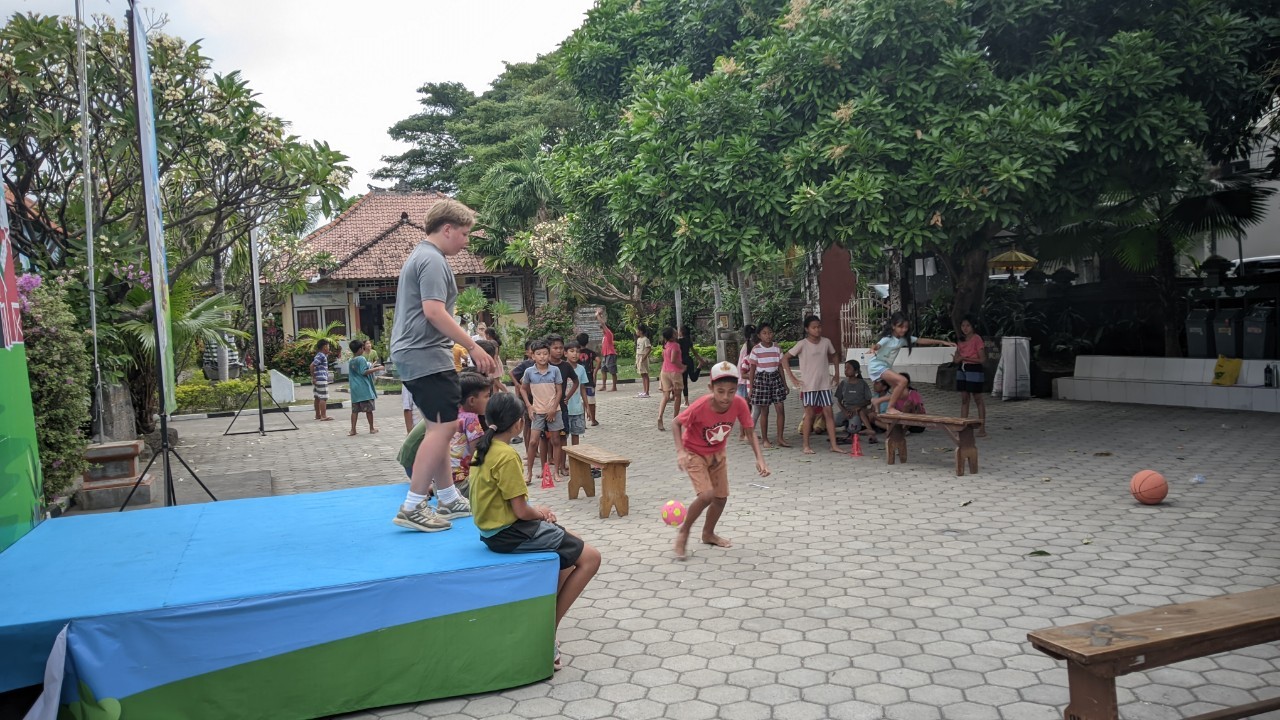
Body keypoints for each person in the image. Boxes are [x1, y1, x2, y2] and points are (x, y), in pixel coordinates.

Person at [469, 391, 601, 671]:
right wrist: (540, 512)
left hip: (493, 531)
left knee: (571, 545)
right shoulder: (506, 456)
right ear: (518, 423)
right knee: (591, 558)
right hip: (509, 532)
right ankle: (546, 630)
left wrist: (537, 511)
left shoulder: (484, 448)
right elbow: (521, 511)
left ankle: (542, 616)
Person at [390, 198, 497, 533]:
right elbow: (434, 312)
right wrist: (472, 345)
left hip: (419, 353)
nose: (466, 241)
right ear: (447, 229)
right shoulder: (432, 261)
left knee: (442, 426)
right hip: (423, 353)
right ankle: (413, 505)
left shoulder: (424, 256)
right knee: (443, 429)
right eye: (464, 233)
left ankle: (448, 497)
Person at [671, 361, 770, 560]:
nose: (726, 397)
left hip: (718, 454)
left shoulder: (740, 403)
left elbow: (750, 431)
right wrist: (680, 452)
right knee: (707, 495)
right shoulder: (701, 406)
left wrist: (760, 458)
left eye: (731, 391)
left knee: (721, 498)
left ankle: (708, 534)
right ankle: (684, 531)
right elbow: (676, 423)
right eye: (721, 391)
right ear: (711, 388)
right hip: (694, 452)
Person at [398, 372, 492, 500]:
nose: (489, 400)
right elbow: (477, 455)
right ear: (471, 401)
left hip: (440, 486)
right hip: (461, 485)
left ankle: (431, 489)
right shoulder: (471, 419)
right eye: (487, 396)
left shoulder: (446, 415)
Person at [868, 311, 954, 416]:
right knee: (903, 380)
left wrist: (942, 342)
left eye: (906, 327)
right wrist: (873, 349)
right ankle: (889, 408)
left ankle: (877, 401)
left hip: (885, 367)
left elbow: (920, 340)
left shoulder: (903, 340)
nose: (904, 329)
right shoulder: (887, 338)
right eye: (901, 327)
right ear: (893, 326)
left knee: (903, 394)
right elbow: (877, 345)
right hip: (877, 366)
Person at [783, 315, 842, 454]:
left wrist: (837, 373)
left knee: (829, 413)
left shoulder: (826, 342)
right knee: (809, 414)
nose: (817, 330)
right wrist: (792, 377)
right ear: (807, 329)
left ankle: (834, 445)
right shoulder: (802, 344)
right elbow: (785, 358)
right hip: (809, 385)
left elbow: (834, 355)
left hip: (824, 384)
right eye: (814, 327)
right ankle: (806, 446)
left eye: (819, 326)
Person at [520, 339, 563, 484]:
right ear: (533, 356)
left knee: (556, 440)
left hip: (554, 411)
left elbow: (559, 391)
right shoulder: (529, 372)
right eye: (539, 354)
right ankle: (529, 473)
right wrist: (528, 405)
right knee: (533, 442)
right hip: (537, 411)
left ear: (549, 355)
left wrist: (553, 408)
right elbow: (523, 389)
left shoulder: (555, 370)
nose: (542, 357)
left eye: (545, 353)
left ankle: (555, 472)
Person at [747, 323, 789, 448]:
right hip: (761, 380)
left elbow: (780, 367)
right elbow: (752, 370)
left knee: (780, 409)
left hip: (775, 378)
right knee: (764, 411)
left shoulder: (777, 348)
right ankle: (765, 439)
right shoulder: (756, 349)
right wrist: (751, 388)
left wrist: (785, 384)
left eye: (770, 332)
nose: (768, 335)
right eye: (764, 333)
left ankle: (780, 438)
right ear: (759, 335)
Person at [548, 334, 578, 476]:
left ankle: (562, 466)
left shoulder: (565, 366)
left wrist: (568, 396)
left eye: (561, 348)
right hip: (545, 407)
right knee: (548, 439)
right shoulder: (544, 365)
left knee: (562, 437)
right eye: (555, 348)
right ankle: (548, 466)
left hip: (561, 407)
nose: (559, 351)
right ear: (549, 349)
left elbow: (576, 381)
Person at [953, 315, 988, 437]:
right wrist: (957, 359)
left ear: (973, 326)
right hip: (962, 369)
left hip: (974, 368)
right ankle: (963, 426)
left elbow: (982, 359)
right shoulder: (960, 340)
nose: (965, 328)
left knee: (977, 397)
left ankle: (982, 427)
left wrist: (965, 358)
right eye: (963, 325)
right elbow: (956, 357)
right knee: (964, 398)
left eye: (968, 325)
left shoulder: (977, 339)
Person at [347, 338, 384, 436]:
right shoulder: (361, 359)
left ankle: (353, 429)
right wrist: (377, 368)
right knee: (369, 410)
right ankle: (371, 428)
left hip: (355, 389)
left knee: (355, 410)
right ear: (360, 349)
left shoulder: (351, 360)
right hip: (363, 388)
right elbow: (364, 372)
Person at [834, 360, 876, 443]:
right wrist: (844, 411)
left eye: (849, 368)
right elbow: (838, 400)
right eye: (845, 368)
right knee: (833, 422)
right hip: (845, 410)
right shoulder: (843, 383)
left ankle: (858, 430)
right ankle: (847, 425)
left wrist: (858, 406)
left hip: (857, 411)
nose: (846, 370)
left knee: (854, 429)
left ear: (856, 371)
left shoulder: (862, 383)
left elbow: (868, 401)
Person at [656, 327, 685, 432]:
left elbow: (665, 359)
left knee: (666, 396)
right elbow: (673, 360)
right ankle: (675, 420)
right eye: (674, 331)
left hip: (664, 372)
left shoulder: (665, 345)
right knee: (677, 396)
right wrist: (682, 366)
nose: (677, 332)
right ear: (672, 335)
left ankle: (660, 416)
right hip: (675, 372)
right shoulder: (676, 345)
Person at [564, 341, 589, 451]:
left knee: (576, 434)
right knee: (562, 436)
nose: (575, 354)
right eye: (572, 351)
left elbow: (583, 388)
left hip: (577, 408)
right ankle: (561, 461)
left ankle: (575, 459)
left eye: (578, 352)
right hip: (563, 408)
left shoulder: (581, 369)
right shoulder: (561, 368)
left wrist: (586, 406)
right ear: (565, 353)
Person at [678, 325, 709, 404]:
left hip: (682, 362)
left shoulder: (678, 341)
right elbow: (694, 353)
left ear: (681, 332)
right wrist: (701, 360)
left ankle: (686, 401)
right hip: (689, 360)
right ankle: (699, 366)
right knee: (693, 378)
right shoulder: (688, 340)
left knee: (684, 381)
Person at [575, 332, 600, 426]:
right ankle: (593, 420)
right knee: (591, 400)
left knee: (580, 400)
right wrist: (595, 372)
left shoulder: (575, 353)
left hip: (578, 380)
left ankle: (583, 422)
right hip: (589, 378)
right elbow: (598, 360)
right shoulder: (590, 353)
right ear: (587, 341)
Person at [736, 325, 756, 441]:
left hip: (743, 380)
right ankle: (743, 434)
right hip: (744, 381)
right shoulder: (748, 349)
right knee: (746, 409)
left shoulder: (747, 346)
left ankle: (745, 433)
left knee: (747, 408)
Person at [311, 340, 333, 422]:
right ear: (325, 347)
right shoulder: (321, 356)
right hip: (321, 379)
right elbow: (312, 365)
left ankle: (317, 415)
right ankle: (323, 416)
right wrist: (313, 377)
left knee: (317, 397)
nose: (329, 348)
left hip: (318, 379)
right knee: (323, 398)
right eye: (328, 346)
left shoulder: (320, 355)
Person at [597, 308, 618, 392]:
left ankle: (614, 387)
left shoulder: (609, 334)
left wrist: (598, 315)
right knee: (603, 370)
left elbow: (602, 323)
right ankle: (604, 386)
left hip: (610, 354)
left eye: (602, 329)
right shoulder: (604, 337)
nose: (601, 330)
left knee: (612, 371)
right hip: (605, 355)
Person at [634, 325, 653, 398]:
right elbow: (637, 350)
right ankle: (644, 391)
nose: (636, 332)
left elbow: (649, 348)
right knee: (642, 374)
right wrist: (636, 361)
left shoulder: (646, 339)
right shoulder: (638, 339)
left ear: (641, 331)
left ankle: (647, 391)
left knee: (645, 374)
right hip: (638, 356)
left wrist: (644, 357)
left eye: (637, 330)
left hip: (643, 357)